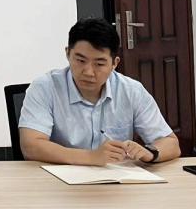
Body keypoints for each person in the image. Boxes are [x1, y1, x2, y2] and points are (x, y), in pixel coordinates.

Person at [19, 18, 180, 165]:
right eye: (80, 60)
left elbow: (171, 143)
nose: (88, 72)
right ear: (68, 54)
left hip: (116, 181)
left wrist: (150, 152)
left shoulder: (132, 91)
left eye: (99, 64)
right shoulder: (45, 87)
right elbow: (31, 146)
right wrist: (91, 157)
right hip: (59, 181)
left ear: (114, 63)